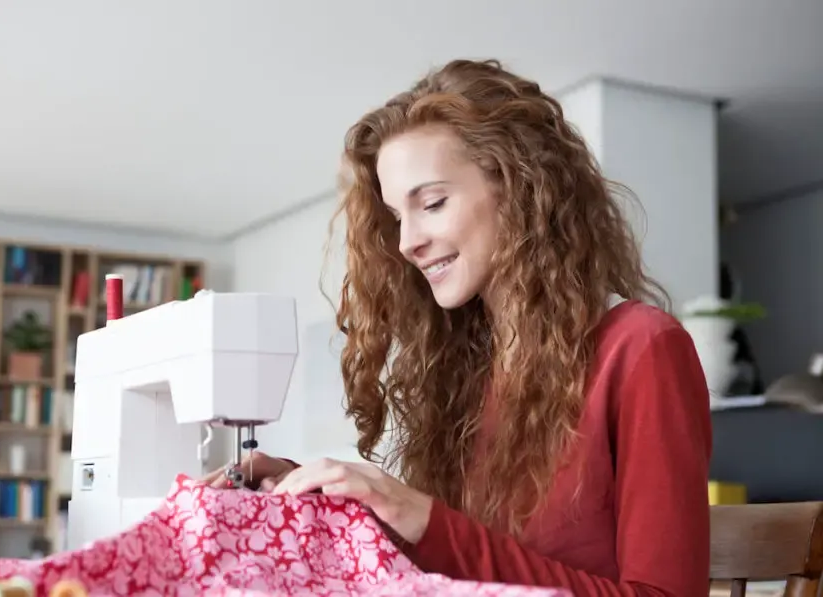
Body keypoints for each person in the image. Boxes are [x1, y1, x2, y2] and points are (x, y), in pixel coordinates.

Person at [203, 59, 711, 596]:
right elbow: (462, 560)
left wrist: (421, 517)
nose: (406, 242)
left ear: (520, 189)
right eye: (398, 216)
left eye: (433, 203)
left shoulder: (640, 348)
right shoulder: (468, 371)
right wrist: (313, 489)